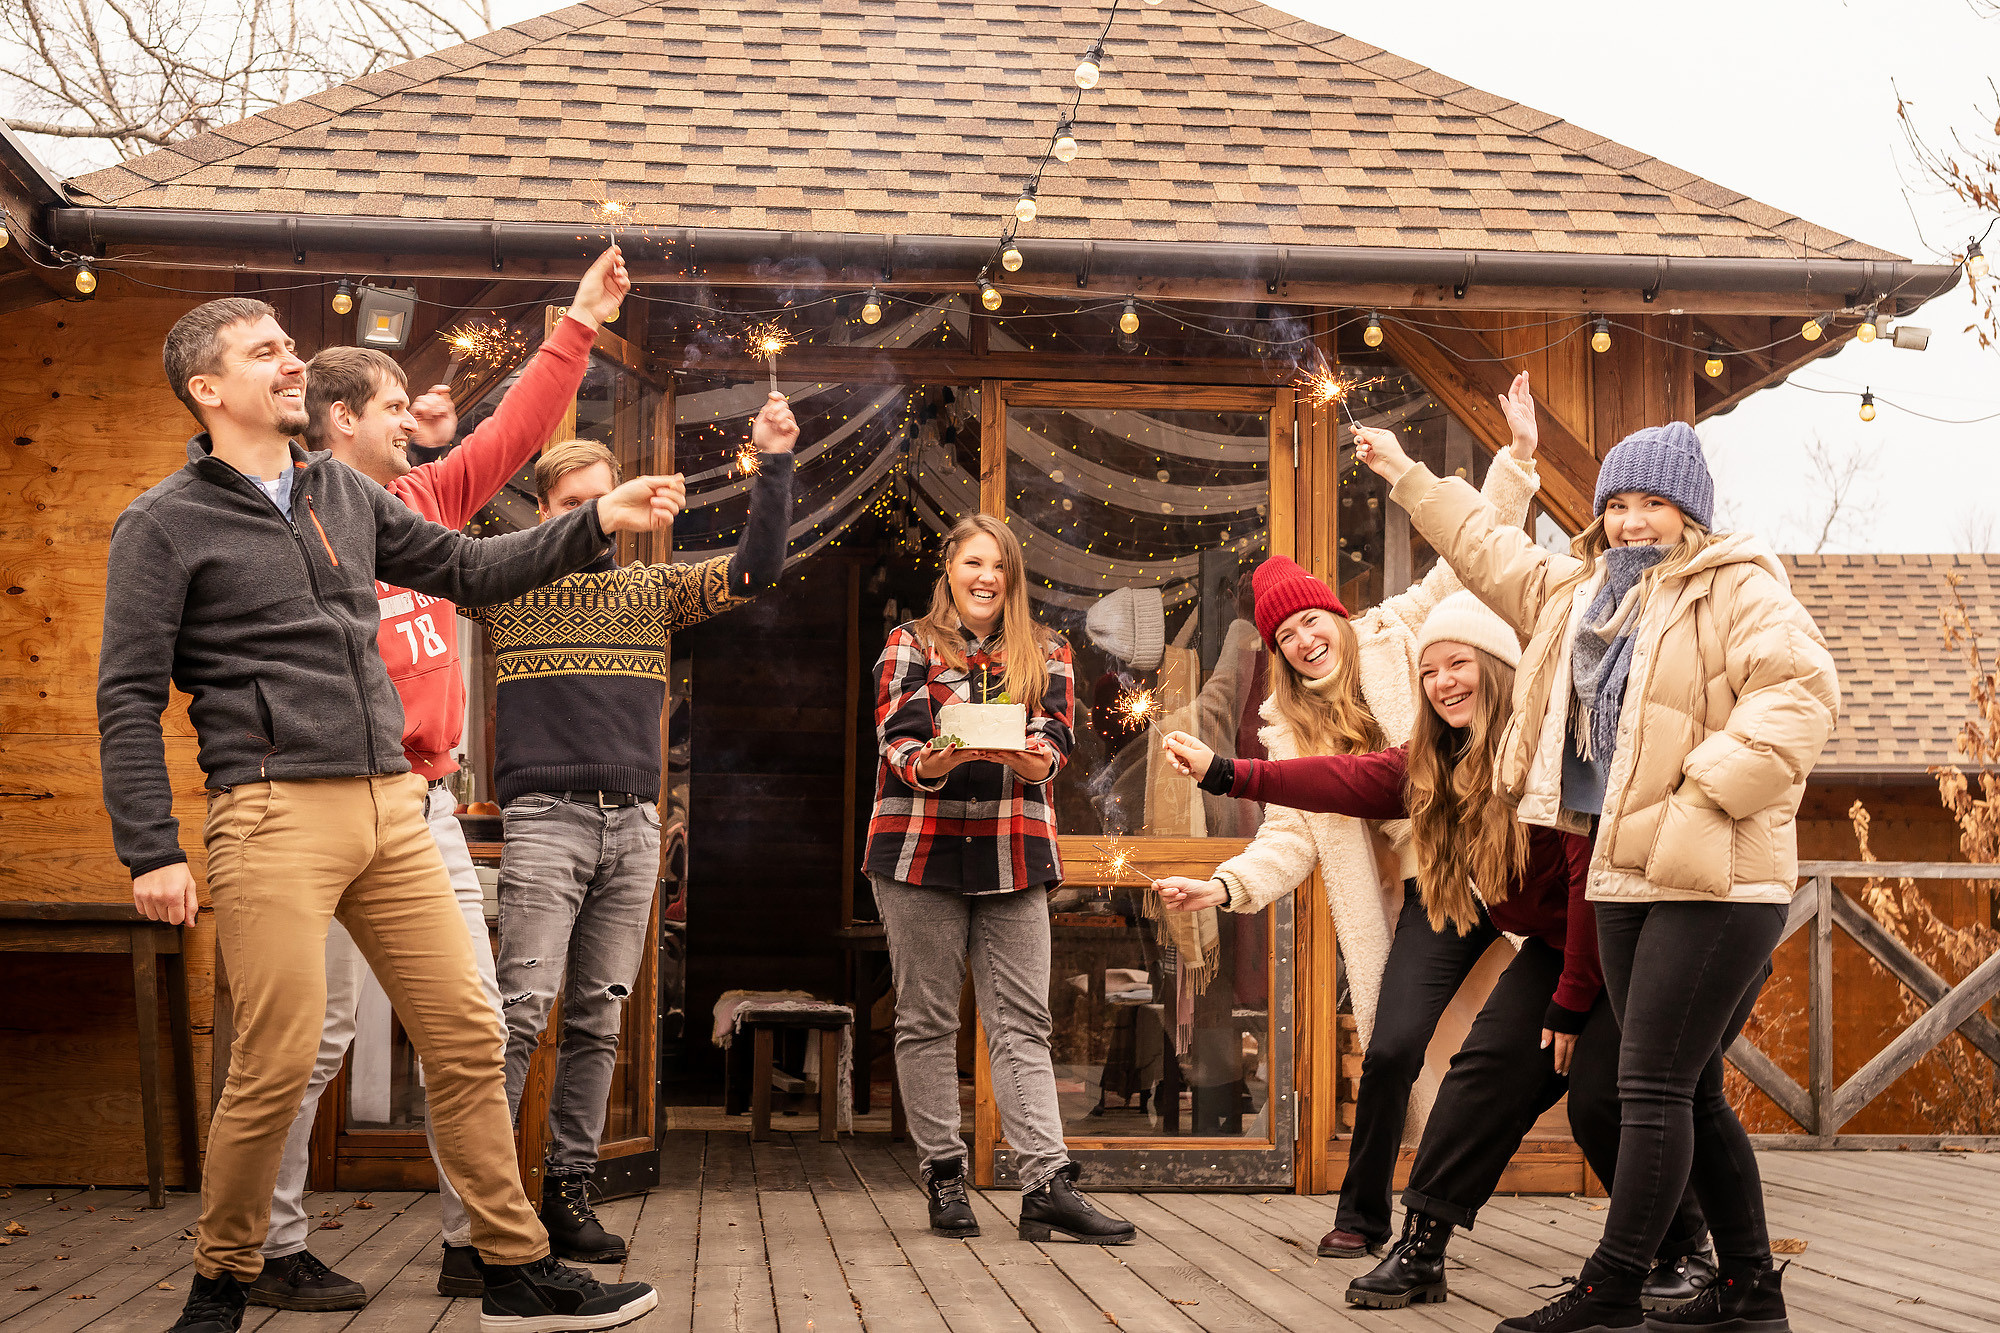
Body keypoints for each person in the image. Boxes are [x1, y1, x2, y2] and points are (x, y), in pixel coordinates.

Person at [99, 297, 680, 1333]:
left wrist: (591, 520)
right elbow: (127, 697)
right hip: (272, 815)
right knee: (278, 1057)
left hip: (397, 812)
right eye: (267, 352)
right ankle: (224, 1277)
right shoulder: (163, 523)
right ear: (207, 388)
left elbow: (466, 568)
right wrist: (152, 847)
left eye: (289, 345)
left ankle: (509, 1265)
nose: (291, 362)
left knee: (464, 1036)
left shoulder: (343, 494)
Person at [1352, 415, 1838, 1333]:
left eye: (1652, 502)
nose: (1631, 521)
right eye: (1617, 504)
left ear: (1688, 510)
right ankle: (1746, 1290)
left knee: (1643, 1085)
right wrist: (1408, 472)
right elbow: (1487, 548)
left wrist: (1699, 793)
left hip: (1715, 880)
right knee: (1686, 1088)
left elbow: (1801, 694)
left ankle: (1612, 1286)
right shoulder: (1580, 598)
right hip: (1617, 878)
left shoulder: (1735, 588)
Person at [247, 248, 628, 1312]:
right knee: (311, 1040)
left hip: (427, 806)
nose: (416, 419)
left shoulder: (421, 498)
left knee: (477, 1021)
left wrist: (580, 325)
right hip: (318, 801)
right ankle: (268, 1245)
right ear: (337, 422)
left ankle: (479, 1244)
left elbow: (512, 433)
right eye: (392, 406)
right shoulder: (280, 525)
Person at [1160, 592, 1714, 1314]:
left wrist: (1572, 1002)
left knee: (1601, 1101)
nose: (1444, 681)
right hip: (1552, 942)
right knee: (1479, 1075)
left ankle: (1684, 1250)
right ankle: (1422, 1246)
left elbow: (1589, 887)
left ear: (1497, 666)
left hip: (1629, 940)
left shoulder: (1552, 750)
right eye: (1431, 671)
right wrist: (1226, 773)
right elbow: (1337, 780)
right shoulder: (1431, 762)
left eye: (1459, 664)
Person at [1149, 373, 1547, 1258]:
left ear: (1336, 613)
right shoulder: (1285, 728)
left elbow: (1467, 561)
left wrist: (1515, 465)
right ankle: (1364, 1213)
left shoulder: (1404, 634)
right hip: (1426, 894)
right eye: (1286, 636)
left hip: (1497, 861)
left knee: (1558, 1027)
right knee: (1397, 1042)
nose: (1305, 639)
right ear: (1279, 653)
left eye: (1311, 621)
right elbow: (1288, 838)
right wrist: (1221, 887)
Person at [469, 417, 794, 1262]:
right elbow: (428, 536)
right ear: (545, 510)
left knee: (598, 1022)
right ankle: (485, 1215)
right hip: (545, 820)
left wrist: (776, 464)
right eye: (579, 505)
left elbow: (756, 569)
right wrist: (435, 448)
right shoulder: (506, 582)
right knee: (516, 1018)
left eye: (607, 504)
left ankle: (567, 1192)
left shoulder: (650, 589)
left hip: (636, 826)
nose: (599, 519)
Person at [865, 513, 1134, 1245]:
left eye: (1000, 566)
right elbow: (898, 741)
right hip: (918, 849)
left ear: (1012, 577)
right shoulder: (908, 643)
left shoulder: (1046, 649)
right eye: (973, 562)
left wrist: (1027, 758)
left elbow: (1054, 738)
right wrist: (939, 760)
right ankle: (945, 1177)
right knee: (927, 1019)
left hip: (1013, 848)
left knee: (1023, 1020)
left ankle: (1046, 1184)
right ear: (949, 566)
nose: (987, 577)